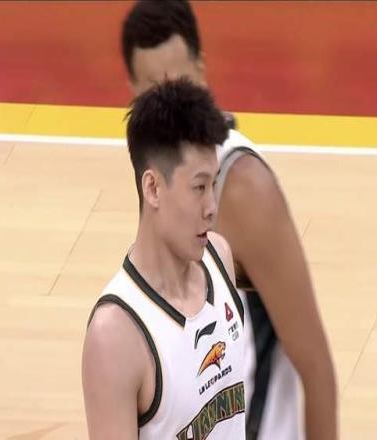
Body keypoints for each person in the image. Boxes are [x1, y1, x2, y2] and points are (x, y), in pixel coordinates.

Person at [121, 2, 338, 440]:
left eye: (179, 86)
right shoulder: (159, 177)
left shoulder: (243, 189)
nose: (170, 109)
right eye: (155, 94)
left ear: (201, 71)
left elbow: (316, 365)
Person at [82, 78, 249, 439]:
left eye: (213, 185)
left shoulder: (219, 257)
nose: (212, 207)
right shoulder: (115, 335)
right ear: (153, 188)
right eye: (199, 187)